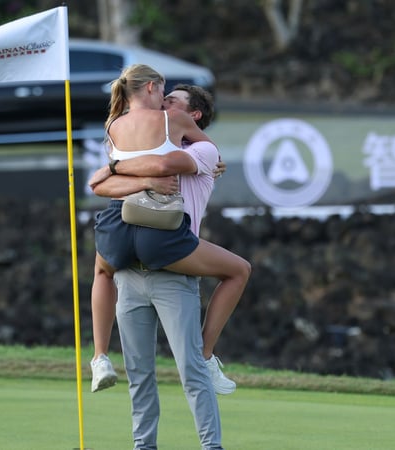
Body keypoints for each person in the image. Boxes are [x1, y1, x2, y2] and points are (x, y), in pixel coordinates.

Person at [91, 64, 249, 449]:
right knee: (139, 373)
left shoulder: (203, 150)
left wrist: (112, 169)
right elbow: (106, 181)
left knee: (191, 370)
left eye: (172, 101)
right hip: (132, 272)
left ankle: (212, 445)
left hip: (173, 271)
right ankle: (143, 446)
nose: (163, 104)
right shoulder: (151, 137)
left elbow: (160, 165)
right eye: (162, 97)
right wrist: (116, 171)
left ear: (190, 116)